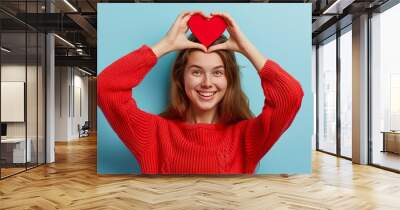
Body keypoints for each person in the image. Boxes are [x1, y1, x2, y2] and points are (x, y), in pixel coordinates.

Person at [97, 11, 304, 174]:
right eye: (196, 72)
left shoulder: (247, 138)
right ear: (181, 77)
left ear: (229, 79)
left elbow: (291, 96)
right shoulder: (153, 134)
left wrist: (246, 48)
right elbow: (106, 86)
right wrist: (165, 45)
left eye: (217, 72)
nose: (207, 83)